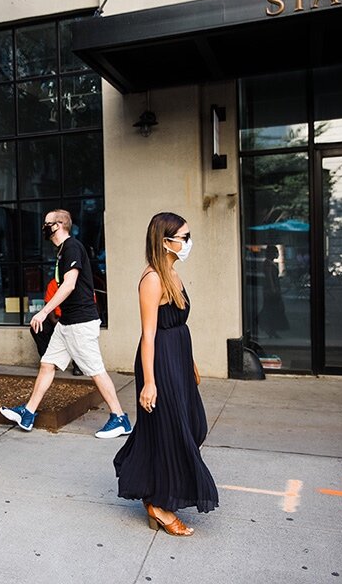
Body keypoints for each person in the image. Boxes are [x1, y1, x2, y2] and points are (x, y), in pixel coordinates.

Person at [113, 212, 218, 536]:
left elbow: (177, 325)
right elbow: (149, 333)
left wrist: (191, 361)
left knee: (193, 425)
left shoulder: (172, 273)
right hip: (158, 363)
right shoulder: (152, 279)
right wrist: (149, 382)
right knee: (170, 431)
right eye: (183, 237)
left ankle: (154, 490)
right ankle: (158, 504)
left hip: (178, 358)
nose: (188, 243)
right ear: (165, 241)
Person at [0, 209, 131, 438]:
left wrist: (43, 312)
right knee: (48, 364)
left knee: (96, 371)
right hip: (67, 323)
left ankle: (119, 417)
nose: (43, 227)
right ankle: (28, 413)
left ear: (58, 225)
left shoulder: (72, 246)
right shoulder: (63, 251)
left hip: (80, 323)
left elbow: (69, 285)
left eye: (46, 223)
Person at [258, 245, 289, 337]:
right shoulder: (268, 264)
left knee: (271, 309)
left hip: (272, 289)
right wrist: (273, 289)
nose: (278, 254)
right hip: (271, 291)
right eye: (276, 252)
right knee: (272, 309)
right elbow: (269, 277)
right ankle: (266, 326)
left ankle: (271, 329)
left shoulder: (270, 263)